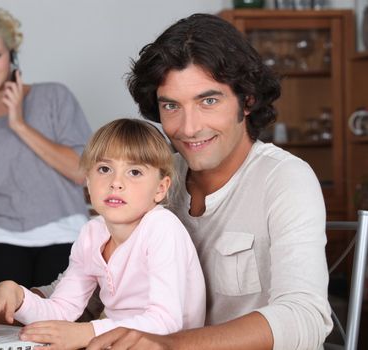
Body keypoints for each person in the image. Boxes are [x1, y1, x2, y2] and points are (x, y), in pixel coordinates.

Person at [82, 13, 332, 350]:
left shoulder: (286, 179)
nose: (188, 127)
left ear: (247, 100)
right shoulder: (156, 177)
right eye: (171, 105)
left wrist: (171, 344)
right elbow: (95, 274)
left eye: (208, 101)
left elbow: (306, 316)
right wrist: (27, 299)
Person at [0, 118, 206, 349]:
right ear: (88, 180)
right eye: (104, 169)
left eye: (134, 172)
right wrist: (18, 297)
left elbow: (165, 321)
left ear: (160, 188)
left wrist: (88, 332)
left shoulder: (162, 228)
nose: (116, 183)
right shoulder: (92, 234)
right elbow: (63, 309)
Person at [0, 8, 92, 291]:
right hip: (2, 235)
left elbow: (81, 171)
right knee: (7, 326)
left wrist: (19, 124)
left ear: (12, 54)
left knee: (55, 325)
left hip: (65, 231)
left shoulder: (54, 96)